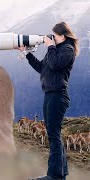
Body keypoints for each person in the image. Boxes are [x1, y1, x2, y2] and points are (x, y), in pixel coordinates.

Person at [18, 22, 79, 180]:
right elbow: (42, 68)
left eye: (54, 35)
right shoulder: (56, 50)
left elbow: (55, 63)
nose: (51, 38)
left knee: (52, 135)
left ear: (62, 36)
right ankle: (61, 175)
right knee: (54, 134)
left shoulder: (67, 50)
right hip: (50, 93)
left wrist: (50, 46)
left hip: (58, 95)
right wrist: (27, 54)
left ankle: (54, 176)